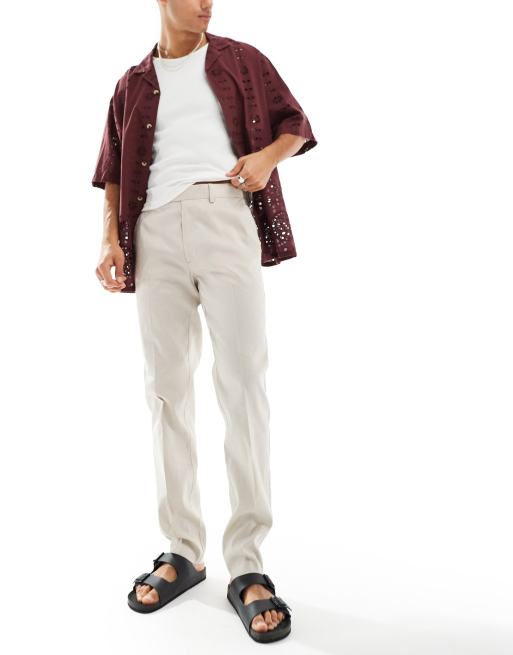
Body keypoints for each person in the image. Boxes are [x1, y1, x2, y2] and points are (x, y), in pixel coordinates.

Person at [92, 0, 317, 644]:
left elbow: (295, 125)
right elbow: (112, 172)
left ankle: (247, 564)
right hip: (153, 230)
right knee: (166, 390)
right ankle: (183, 550)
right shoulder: (131, 84)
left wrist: (266, 158)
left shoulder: (242, 60)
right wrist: (110, 239)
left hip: (226, 216)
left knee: (242, 385)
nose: (207, 4)